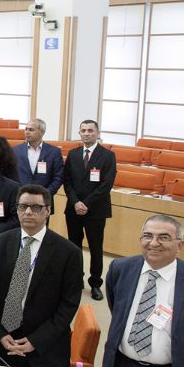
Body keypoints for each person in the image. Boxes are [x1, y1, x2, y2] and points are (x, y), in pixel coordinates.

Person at [101, 215, 184, 367]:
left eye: (164, 237)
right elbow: (117, 310)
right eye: (148, 236)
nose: (154, 243)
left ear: (180, 245)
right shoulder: (120, 269)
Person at [0, 184, 82, 367]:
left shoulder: (69, 253)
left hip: (45, 350)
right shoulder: (0, 243)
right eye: (23, 206)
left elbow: (68, 305)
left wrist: (36, 341)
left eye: (36, 207)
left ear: (48, 211)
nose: (28, 212)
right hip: (2, 345)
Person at [63, 119, 117, 300]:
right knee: (74, 246)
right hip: (73, 209)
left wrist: (86, 204)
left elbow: (106, 185)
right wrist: (76, 202)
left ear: (97, 133)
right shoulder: (73, 154)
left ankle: (95, 284)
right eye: (83, 130)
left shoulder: (108, 155)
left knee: (95, 247)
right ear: (79, 133)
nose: (86, 133)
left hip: (96, 210)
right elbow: (67, 181)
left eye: (90, 130)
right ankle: (76, 279)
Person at [14, 118, 64, 202]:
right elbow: (10, 175)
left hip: (44, 201)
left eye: (31, 129)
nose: (27, 132)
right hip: (21, 199)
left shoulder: (54, 152)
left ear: (42, 132)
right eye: (26, 129)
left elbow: (59, 177)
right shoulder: (15, 150)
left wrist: (47, 194)